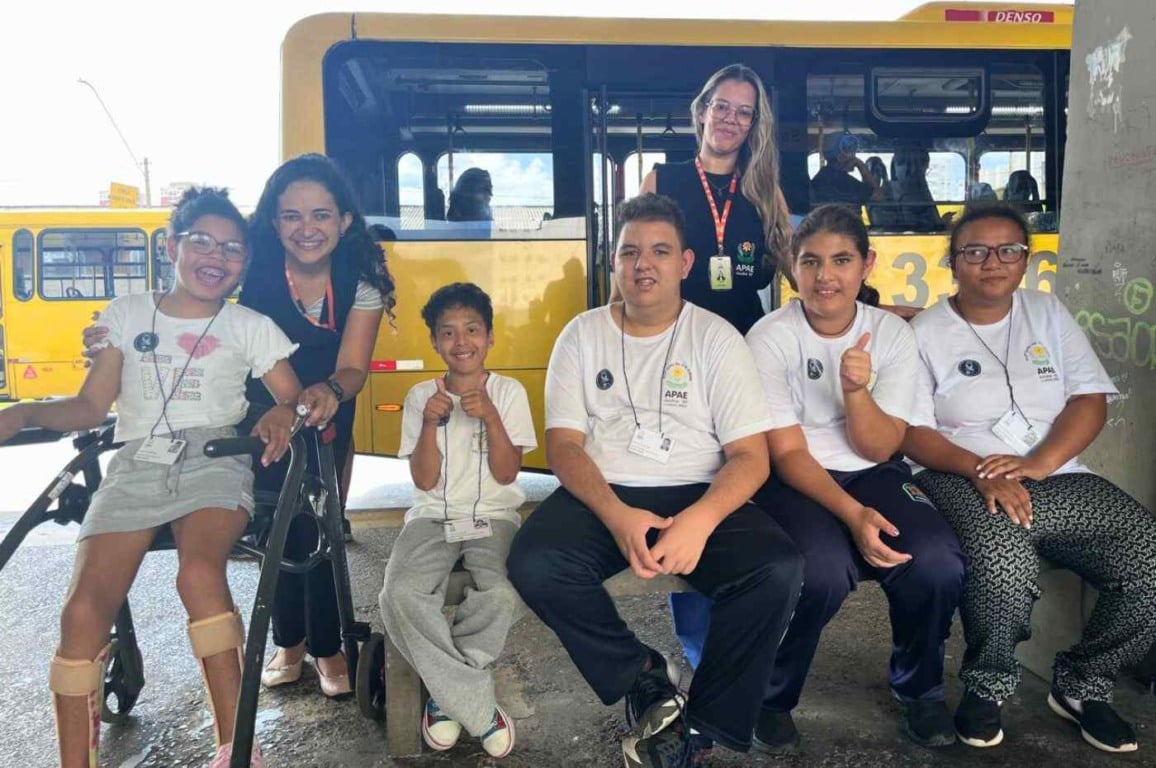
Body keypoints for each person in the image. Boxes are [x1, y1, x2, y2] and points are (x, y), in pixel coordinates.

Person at [2, 188, 302, 768]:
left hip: (216, 454)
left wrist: (281, 412)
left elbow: (292, 397)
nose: (216, 256)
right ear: (172, 246)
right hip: (137, 459)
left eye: (233, 248)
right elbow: (91, 408)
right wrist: (24, 414)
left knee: (197, 573)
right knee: (81, 611)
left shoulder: (249, 325)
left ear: (244, 262)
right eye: (202, 242)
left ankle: (236, 747)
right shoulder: (126, 314)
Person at [506, 193, 804, 768]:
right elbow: (564, 448)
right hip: (604, 489)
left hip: (699, 489)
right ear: (612, 263)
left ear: (686, 263)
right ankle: (643, 675)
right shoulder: (581, 334)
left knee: (777, 568)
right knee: (535, 562)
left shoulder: (717, 338)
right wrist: (617, 516)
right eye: (630, 252)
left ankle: (698, 728)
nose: (644, 264)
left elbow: (750, 457)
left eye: (660, 251)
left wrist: (700, 520)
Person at [903, 201, 1156, 754]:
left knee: (1147, 556)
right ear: (953, 261)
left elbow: (1088, 400)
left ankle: (1084, 682)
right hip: (960, 473)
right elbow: (910, 432)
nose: (991, 262)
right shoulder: (926, 332)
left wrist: (1039, 464)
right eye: (974, 251)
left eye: (1008, 250)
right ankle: (987, 687)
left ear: (1025, 260)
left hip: (1054, 471)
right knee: (1004, 560)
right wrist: (980, 470)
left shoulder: (1047, 312)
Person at [743, 204, 965, 751]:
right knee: (818, 570)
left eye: (841, 260)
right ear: (791, 268)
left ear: (867, 264)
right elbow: (788, 452)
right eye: (810, 261)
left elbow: (882, 445)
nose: (825, 277)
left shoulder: (889, 334)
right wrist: (852, 515)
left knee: (936, 558)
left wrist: (855, 391)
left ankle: (920, 690)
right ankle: (771, 695)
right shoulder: (769, 336)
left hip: (874, 470)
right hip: (796, 478)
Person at [242, 154, 397, 698]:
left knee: (321, 524)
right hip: (265, 407)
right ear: (274, 223)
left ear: (345, 222)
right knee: (277, 527)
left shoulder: (362, 283)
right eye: (291, 217)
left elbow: (353, 367)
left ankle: (328, 646)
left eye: (321, 215)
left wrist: (327, 393)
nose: (307, 229)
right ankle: (291, 642)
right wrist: (291, 407)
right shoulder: (252, 273)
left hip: (331, 404)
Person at [379, 282, 534, 758]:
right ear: (433, 341)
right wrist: (428, 424)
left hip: (493, 517)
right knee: (399, 593)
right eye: (447, 332)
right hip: (432, 517)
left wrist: (491, 418)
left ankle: (447, 700)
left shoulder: (509, 392)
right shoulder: (420, 396)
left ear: (490, 337)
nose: (460, 341)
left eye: (471, 330)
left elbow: (508, 472)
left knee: (505, 591)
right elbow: (425, 481)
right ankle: (476, 706)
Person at [639, 63, 792, 337]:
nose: (731, 118)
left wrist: (868, 308)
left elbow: (802, 268)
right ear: (701, 112)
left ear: (753, 125)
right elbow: (634, 265)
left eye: (744, 112)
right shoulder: (659, 182)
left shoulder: (766, 192)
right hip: (676, 338)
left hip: (746, 343)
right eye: (721, 106)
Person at [809, 132, 883, 210]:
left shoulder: (822, 176)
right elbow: (878, 196)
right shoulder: (841, 181)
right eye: (851, 151)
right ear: (840, 156)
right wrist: (861, 165)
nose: (854, 156)